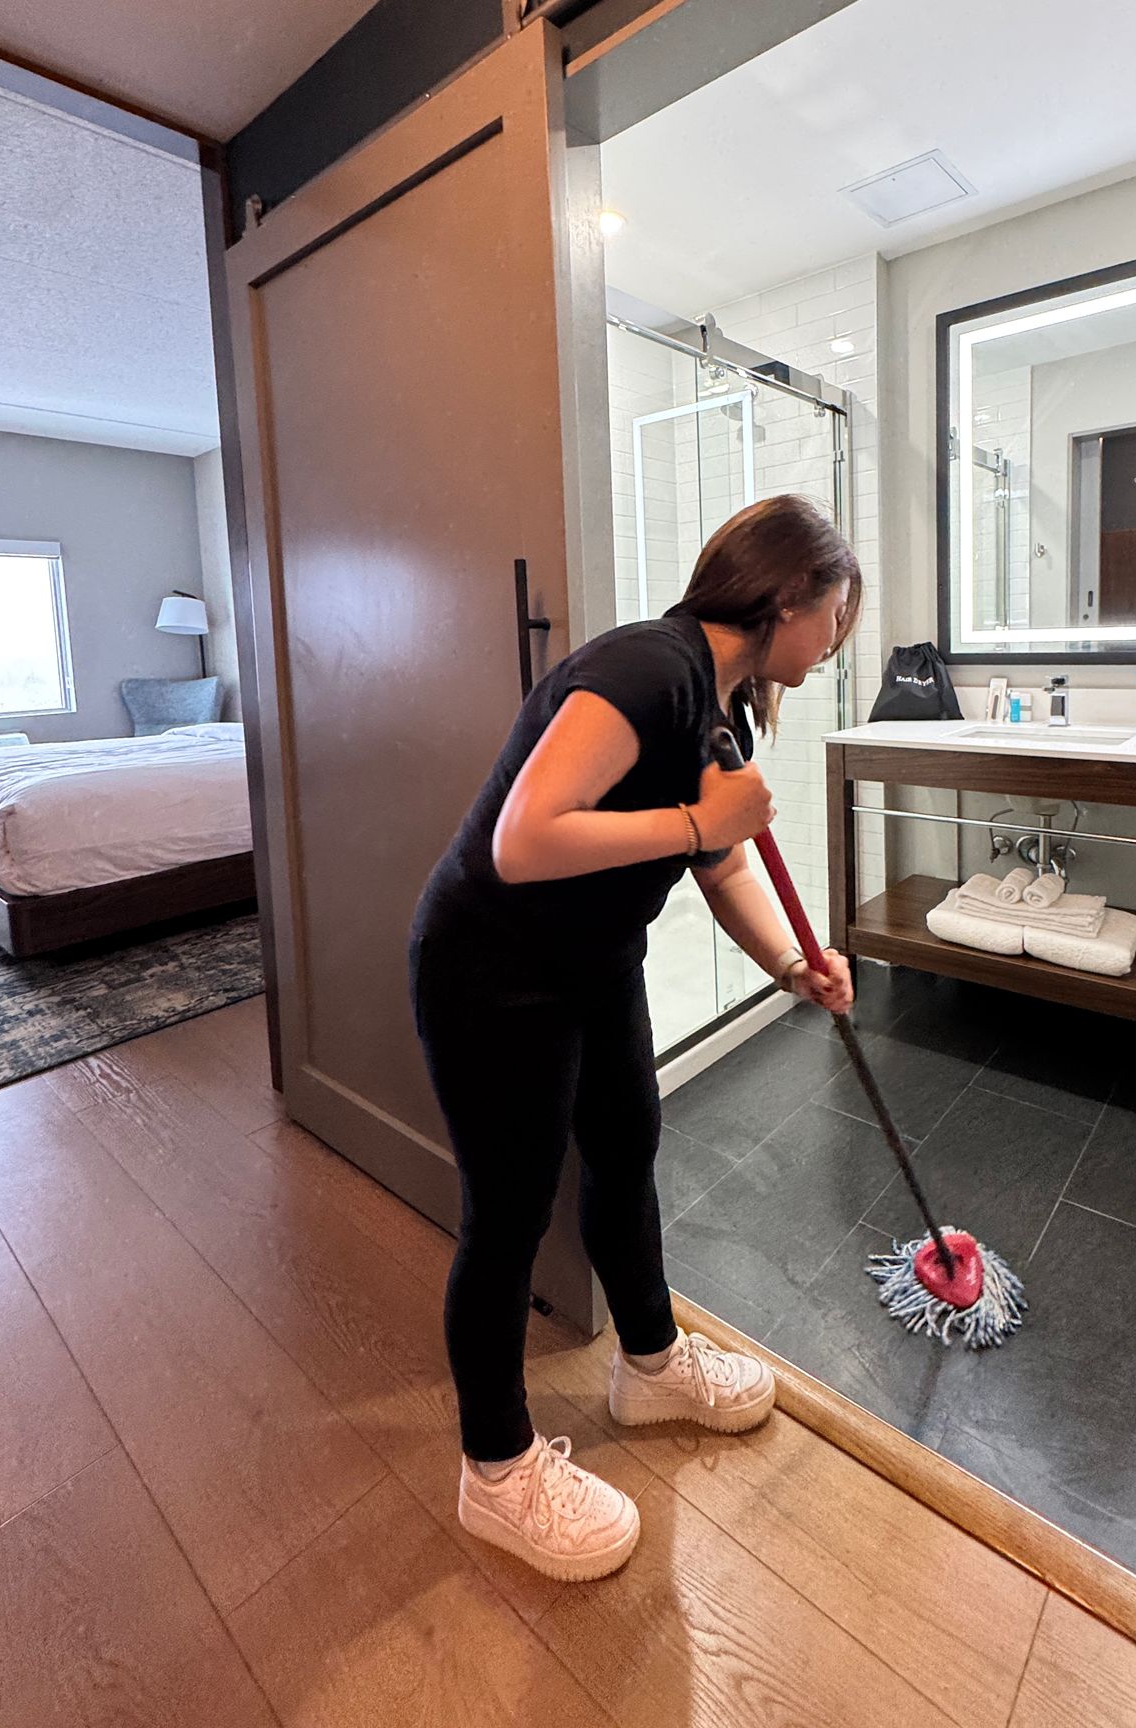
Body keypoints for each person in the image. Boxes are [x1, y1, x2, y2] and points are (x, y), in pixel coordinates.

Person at [409, 494, 861, 1582]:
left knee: (626, 1150)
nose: (838, 639)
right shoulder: (649, 668)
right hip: (492, 971)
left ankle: (649, 1366)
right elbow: (523, 840)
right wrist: (705, 819)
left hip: (594, 962)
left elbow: (722, 865)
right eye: (837, 614)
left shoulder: (718, 705)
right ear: (785, 597)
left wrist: (790, 964)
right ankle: (496, 1468)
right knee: (508, 1214)